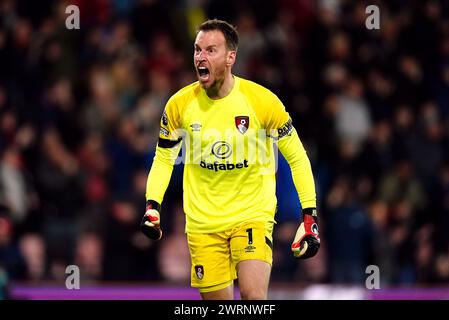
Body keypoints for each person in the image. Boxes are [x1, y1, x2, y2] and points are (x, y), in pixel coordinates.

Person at [140, 19, 320, 300]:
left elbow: (297, 157)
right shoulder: (179, 105)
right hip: (203, 223)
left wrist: (309, 217)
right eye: (198, 50)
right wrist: (153, 205)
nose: (201, 57)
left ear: (230, 57)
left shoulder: (263, 102)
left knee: (252, 297)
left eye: (211, 50)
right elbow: (163, 158)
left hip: (252, 216)